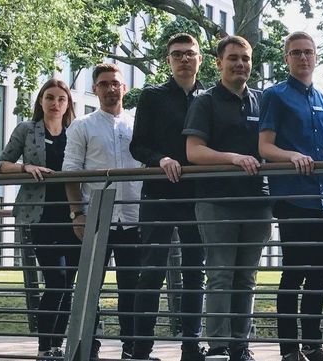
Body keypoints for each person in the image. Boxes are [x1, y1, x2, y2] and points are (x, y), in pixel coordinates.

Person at [182, 35, 267, 361]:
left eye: (245, 58)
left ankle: (240, 347)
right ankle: (218, 347)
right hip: (217, 200)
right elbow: (194, 152)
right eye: (233, 58)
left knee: (246, 278)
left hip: (257, 201)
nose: (240, 64)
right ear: (218, 63)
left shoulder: (261, 101)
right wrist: (233, 158)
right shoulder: (205, 101)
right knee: (220, 275)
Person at [257, 31, 323, 361]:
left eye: (308, 52)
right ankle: (289, 349)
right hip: (292, 196)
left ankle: (313, 344)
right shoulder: (275, 96)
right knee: (294, 271)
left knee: (319, 273)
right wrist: (290, 155)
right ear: (286, 58)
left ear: (316, 57)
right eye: (296, 53)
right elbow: (264, 146)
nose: (303, 58)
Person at [129, 33, 208, 361]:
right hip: (160, 194)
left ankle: (191, 345)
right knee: (151, 273)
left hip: (198, 196)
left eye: (190, 54)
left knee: (195, 271)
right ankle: (141, 349)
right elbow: (138, 145)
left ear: (200, 59)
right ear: (168, 60)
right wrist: (160, 159)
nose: (184, 59)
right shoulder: (152, 96)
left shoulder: (210, 96)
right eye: (177, 54)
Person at [0, 79, 81, 361]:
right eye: (50, 98)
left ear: (68, 104)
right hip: (40, 215)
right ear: (40, 101)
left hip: (73, 214)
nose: (55, 103)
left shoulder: (75, 132)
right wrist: (24, 167)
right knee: (55, 280)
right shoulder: (27, 130)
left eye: (61, 99)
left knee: (69, 284)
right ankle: (45, 348)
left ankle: (58, 346)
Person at [61, 64, 144, 359]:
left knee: (131, 289)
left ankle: (132, 349)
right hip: (96, 218)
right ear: (95, 89)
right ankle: (88, 347)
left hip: (133, 219)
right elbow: (70, 172)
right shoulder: (81, 126)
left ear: (124, 88)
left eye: (116, 84)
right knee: (89, 289)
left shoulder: (137, 124)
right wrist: (77, 214)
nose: (111, 89)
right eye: (104, 84)